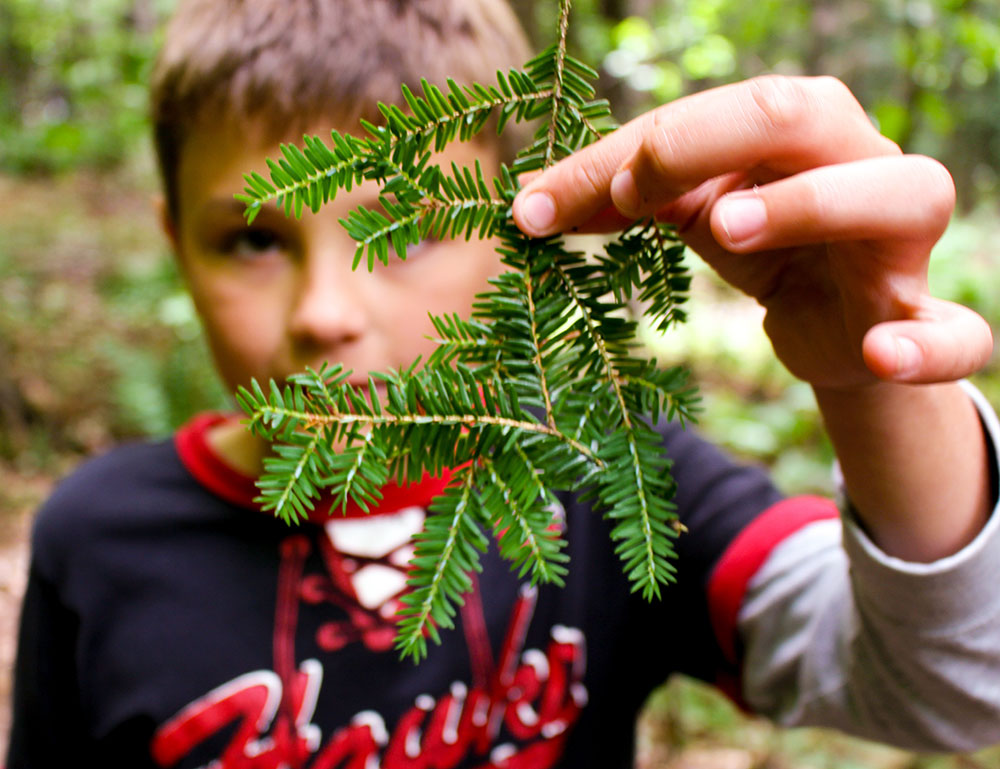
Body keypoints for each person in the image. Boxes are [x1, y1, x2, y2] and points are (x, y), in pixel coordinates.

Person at [8, 0, 1000, 766]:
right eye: (255, 236)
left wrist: (871, 379)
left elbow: (952, 687)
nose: (323, 309)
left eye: (408, 228)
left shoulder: (610, 469)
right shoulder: (97, 541)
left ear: (517, 231)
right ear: (175, 239)